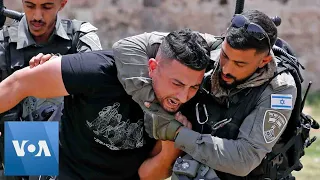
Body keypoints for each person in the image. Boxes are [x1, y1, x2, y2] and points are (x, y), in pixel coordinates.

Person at [111, 10, 303, 179]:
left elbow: (244, 159)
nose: (226, 68)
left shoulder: (280, 89)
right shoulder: (212, 45)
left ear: (264, 61)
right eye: (225, 56)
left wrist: (177, 133)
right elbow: (126, 47)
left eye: (240, 64)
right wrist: (157, 111)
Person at [0, 28, 211, 179]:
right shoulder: (101, 70)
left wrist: (170, 149)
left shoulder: (188, 109)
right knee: (13, 151)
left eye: (193, 87)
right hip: (56, 159)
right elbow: (19, 83)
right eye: (177, 83)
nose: (183, 96)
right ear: (153, 67)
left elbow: (148, 175)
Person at [0, 0, 102, 171]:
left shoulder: (81, 37)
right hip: (14, 158)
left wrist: (63, 68)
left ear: (62, 4)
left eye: (46, 7)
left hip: (72, 152)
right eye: (30, 5)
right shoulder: (3, 44)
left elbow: (101, 90)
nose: (37, 16)